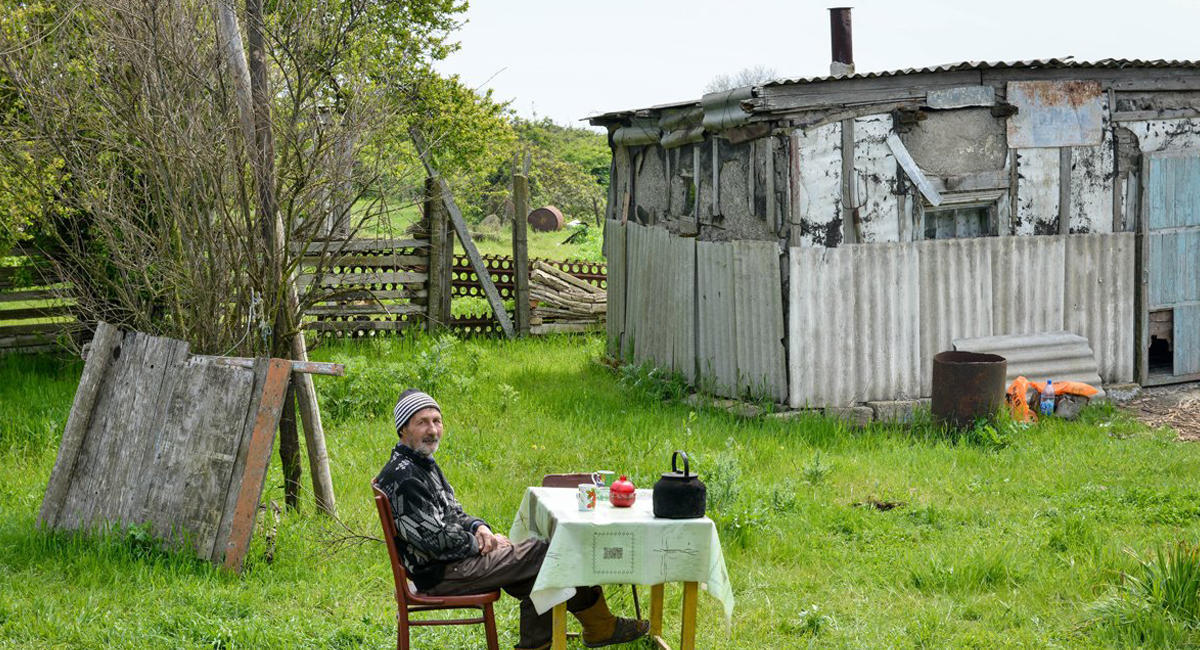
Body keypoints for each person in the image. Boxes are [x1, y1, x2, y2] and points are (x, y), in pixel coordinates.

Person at [376, 389, 649, 650]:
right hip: (439, 573)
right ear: (403, 429)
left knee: (542, 568)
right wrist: (485, 543)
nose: (432, 429)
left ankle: (592, 629)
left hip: (450, 563)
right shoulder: (405, 477)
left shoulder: (421, 464)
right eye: (422, 422)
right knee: (549, 552)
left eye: (437, 421)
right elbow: (434, 540)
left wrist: (478, 526)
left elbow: (452, 512)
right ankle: (600, 626)